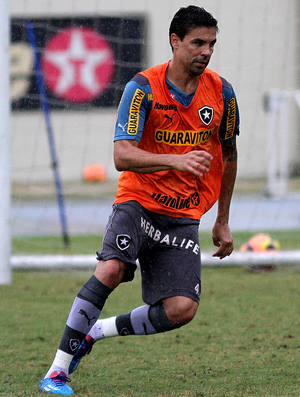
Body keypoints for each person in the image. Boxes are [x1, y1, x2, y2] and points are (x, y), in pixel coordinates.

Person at [39, 5, 239, 395]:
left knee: (182, 310)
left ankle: (95, 331)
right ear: (175, 41)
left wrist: (222, 220)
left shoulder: (223, 93)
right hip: (138, 201)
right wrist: (176, 159)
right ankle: (57, 372)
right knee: (111, 269)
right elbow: (121, 156)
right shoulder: (143, 88)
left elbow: (229, 156)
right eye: (198, 42)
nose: (206, 51)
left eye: (212, 44)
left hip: (182, 214)